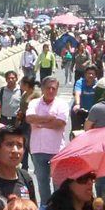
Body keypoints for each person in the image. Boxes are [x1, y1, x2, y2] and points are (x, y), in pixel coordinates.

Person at [26, 74, 69, 203]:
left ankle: (57, 209)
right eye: (48, 88)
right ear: (43, 88)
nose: (51, 91)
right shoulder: (34, 102)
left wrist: (38, 123)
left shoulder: (62, 104)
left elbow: (60, 124)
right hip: (38, 150)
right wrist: (48, 118)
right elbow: (29, 118)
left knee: (58, 183)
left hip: (56, 150)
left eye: (54, 89)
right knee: (42, 183)